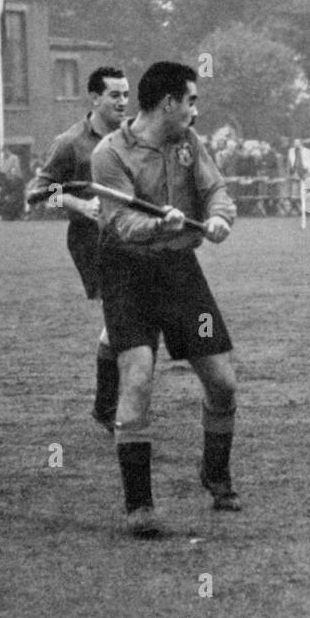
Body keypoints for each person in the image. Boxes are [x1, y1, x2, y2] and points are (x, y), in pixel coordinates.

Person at [91, 61, 238, 538]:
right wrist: (159, 223)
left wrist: (217, 219)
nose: (196, 111)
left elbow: (215, 191)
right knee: (136, 379)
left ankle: (214, 474)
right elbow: (119, 223)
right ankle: (139, 507)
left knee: (223, 384)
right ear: (169, 103)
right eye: (192, 101)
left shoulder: (189, 145)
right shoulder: (109, 154)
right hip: (127, 273)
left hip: (178, 272)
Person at [26, 66, 130, 431]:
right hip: (92, 242)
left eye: (126, 95)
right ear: (95, 98)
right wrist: (79, 205)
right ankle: (109, 408)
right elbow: (35, 194)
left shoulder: (130, 137)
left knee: (126, 319)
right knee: (122, 317)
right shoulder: (70, 143)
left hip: (131, 235)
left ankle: (109, 406)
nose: (122, 102)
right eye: (115, 95)